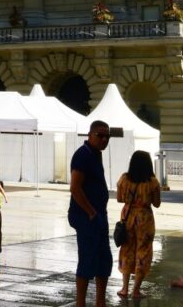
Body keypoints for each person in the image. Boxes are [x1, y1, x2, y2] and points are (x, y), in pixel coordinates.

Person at [69, 120, 113, 307]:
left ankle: (100, 302)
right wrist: (91, 212)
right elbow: (75, 187)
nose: (104, 139)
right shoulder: (83, 155)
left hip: (97, 215)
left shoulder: (95, 154)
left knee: (104, 260)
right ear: (90, 135)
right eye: (100, 135)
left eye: (107, 136)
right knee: (87, 260)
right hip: (86, 216)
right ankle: (81, 303)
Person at [116, 150, 161, 299]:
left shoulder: (124, 179)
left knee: (127, 250)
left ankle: (124, 289)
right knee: (144, 251)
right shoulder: (152, 182)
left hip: (127, 217)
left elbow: (120, 199)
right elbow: (157, 203)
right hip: (145, 218)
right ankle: (136, 290)